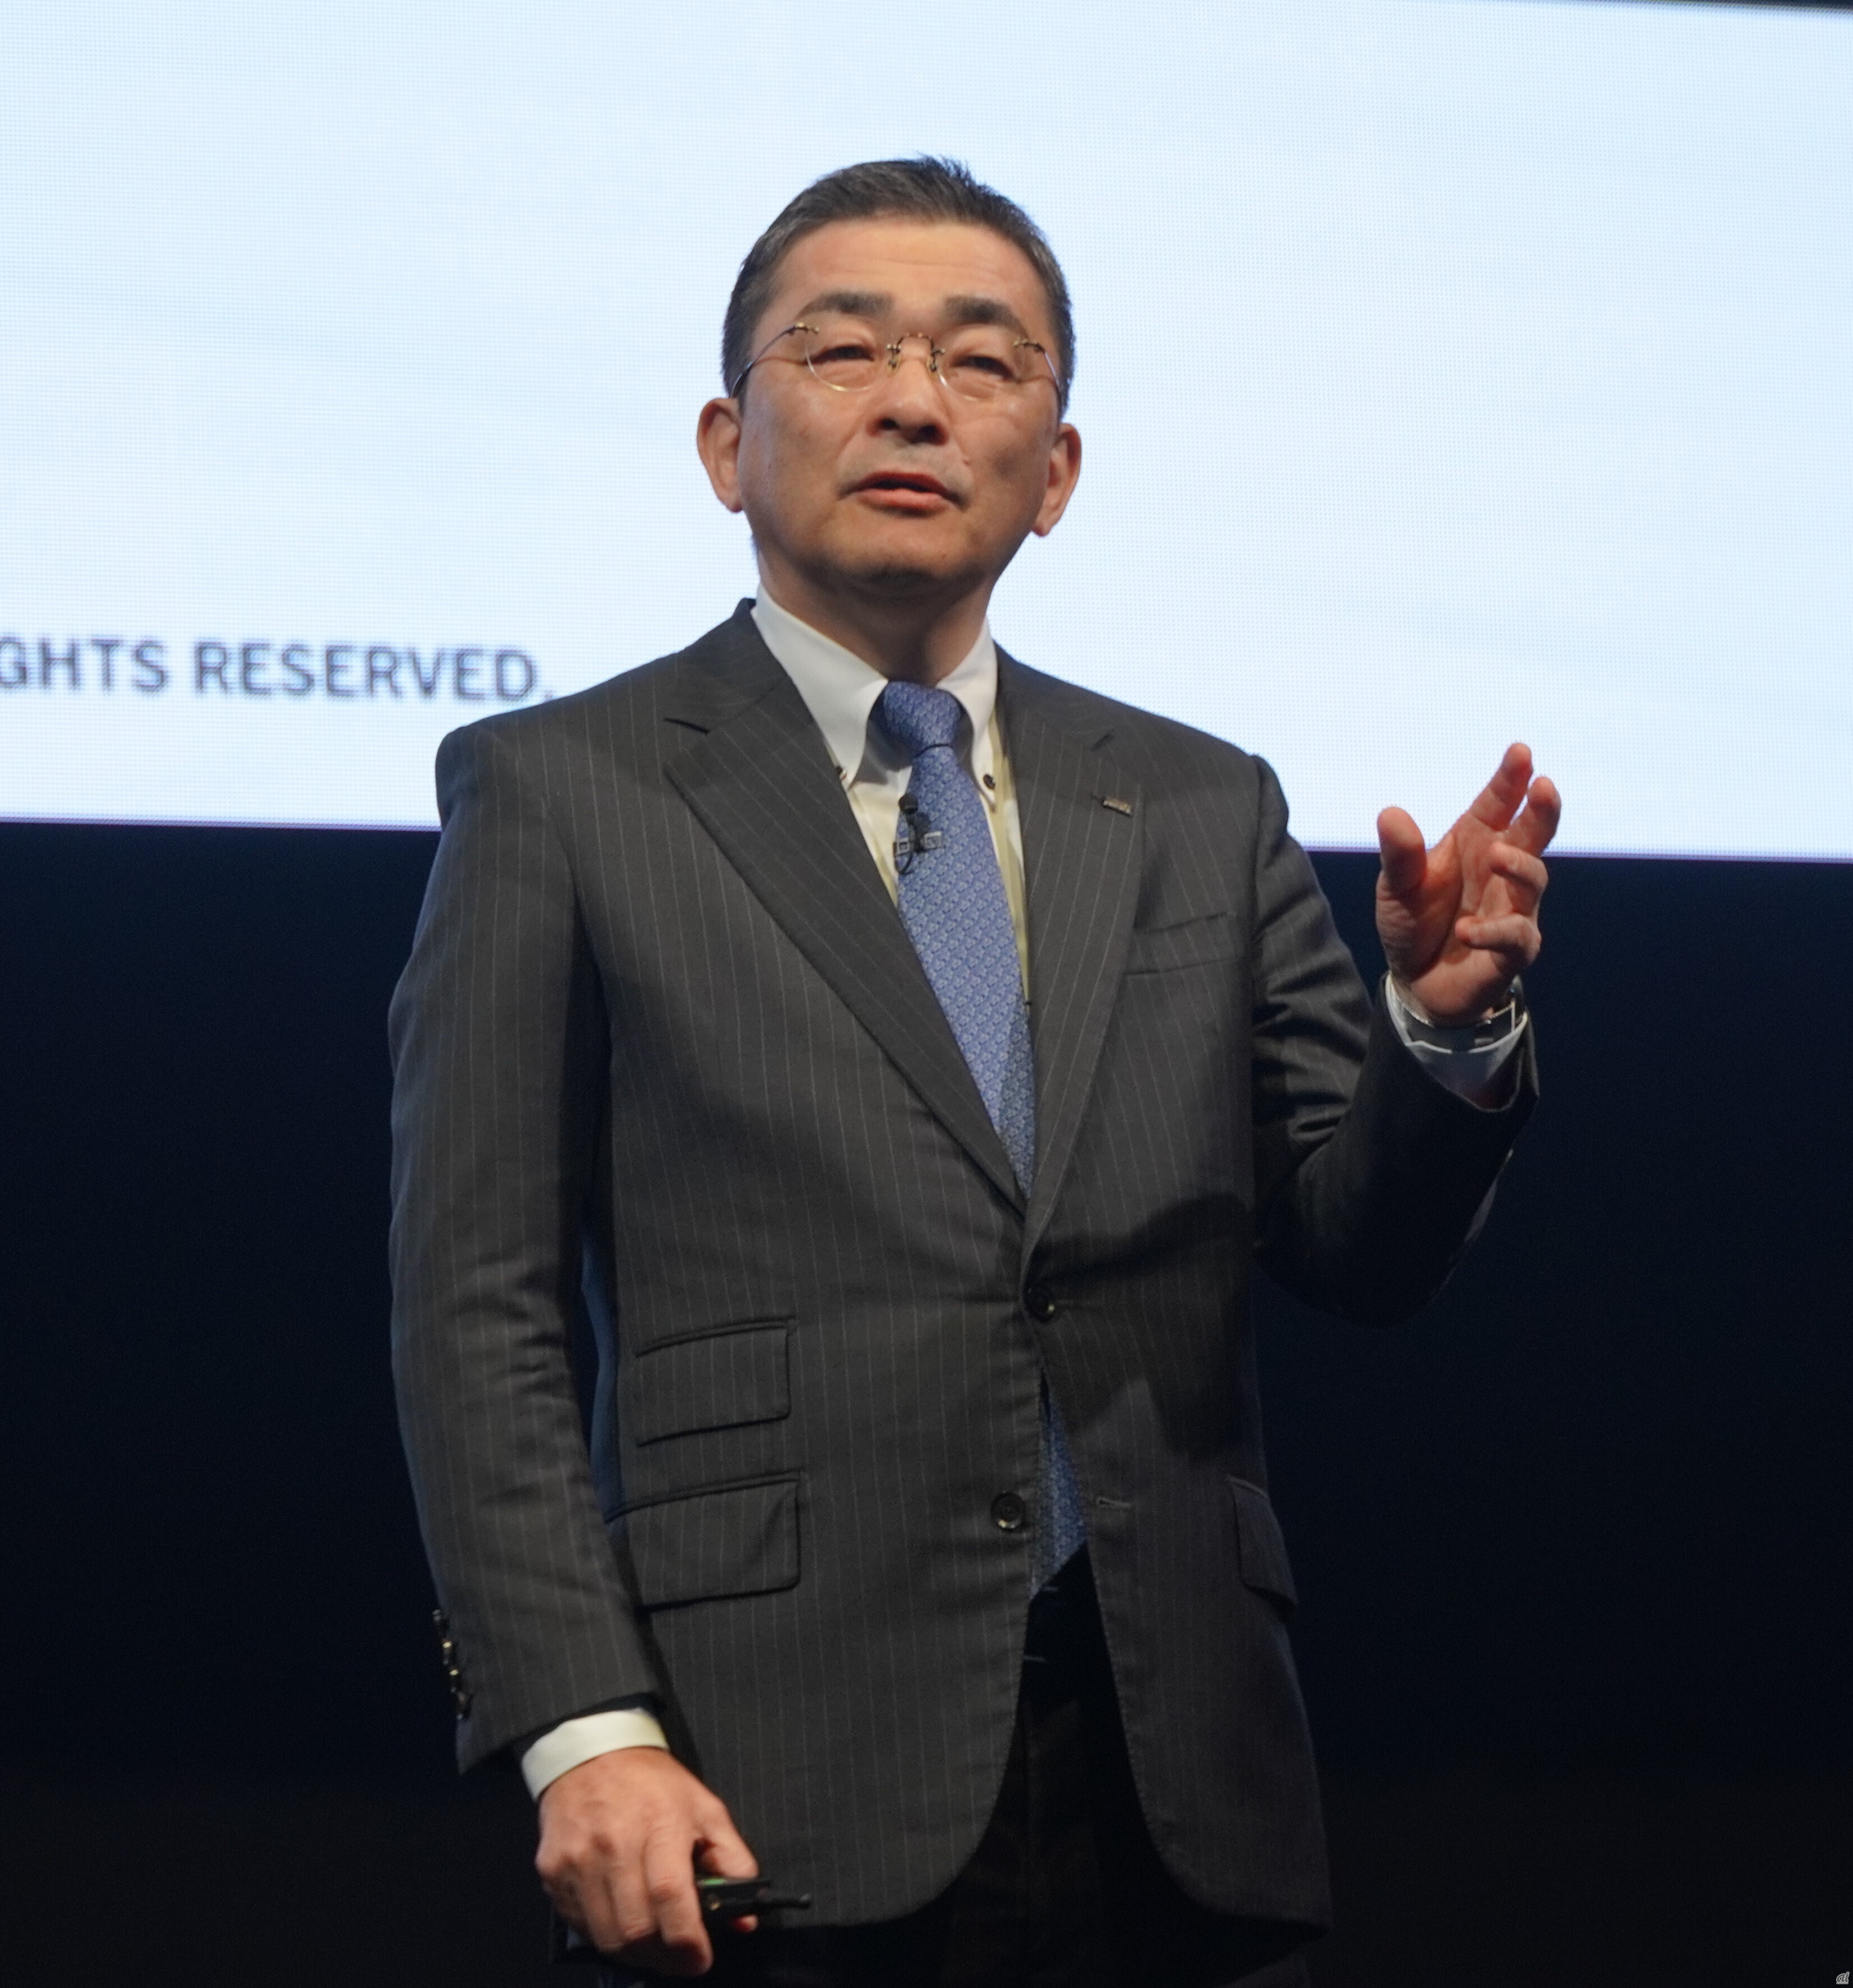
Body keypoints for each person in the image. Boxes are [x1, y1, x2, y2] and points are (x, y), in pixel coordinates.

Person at [389, 158, 1559, 1988]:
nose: (916, 402)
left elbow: (1360, 1249)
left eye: (984, 361)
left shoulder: (1199, 800)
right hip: (758, 1764)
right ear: (725, 444)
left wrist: (1443, 1028)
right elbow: (480, 1311)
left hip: (1173, 1771)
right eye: (843, 349)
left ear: (1058, 470)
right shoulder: (562, 790)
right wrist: (581, 1726)